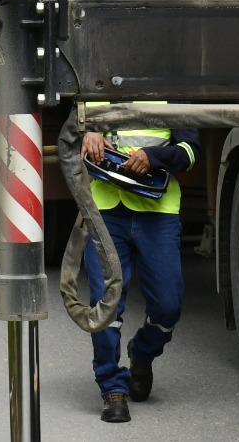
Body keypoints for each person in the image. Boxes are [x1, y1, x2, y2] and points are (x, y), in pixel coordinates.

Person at [80, 102, 200, 423]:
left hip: (156, 212)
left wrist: (153, 157)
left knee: (168, 306)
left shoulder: (171, 91)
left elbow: (191, 152)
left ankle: (142, 353)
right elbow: (69, 133)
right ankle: (112, 387)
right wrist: (87, 134)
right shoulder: (94, 87)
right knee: (105, 302)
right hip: (106, 209)